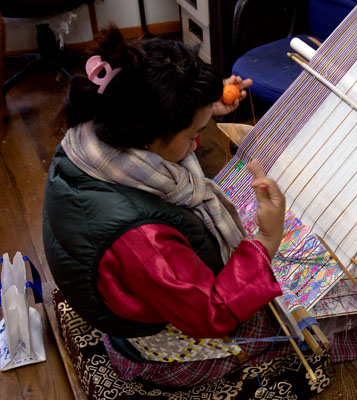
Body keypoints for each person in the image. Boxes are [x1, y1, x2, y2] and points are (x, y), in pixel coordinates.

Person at [42, 27, 303, 387]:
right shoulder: (140, 236)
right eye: (190, 133)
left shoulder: (91, 137)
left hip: (128, 292)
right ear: (152, 132)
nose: (197, 142)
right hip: (160, 351)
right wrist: (268, 239)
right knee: (313, 332)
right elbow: (211, 313)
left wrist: (202, 107)